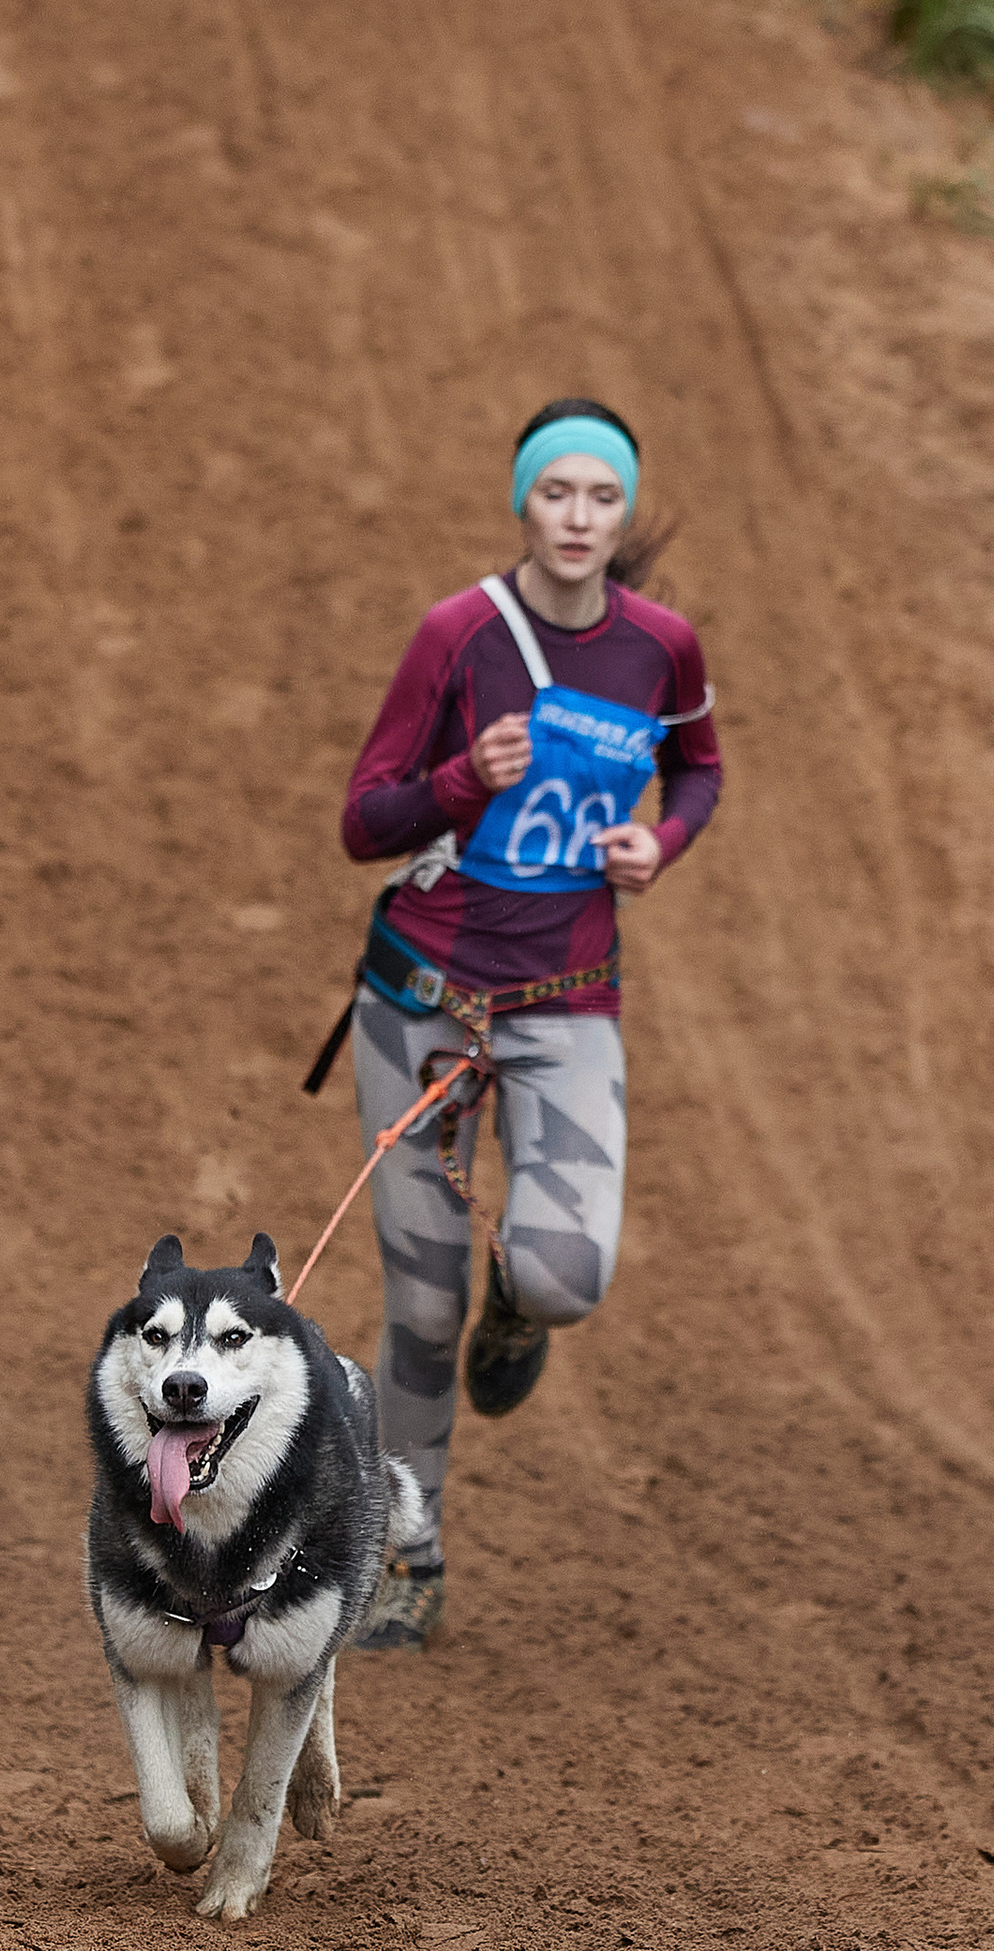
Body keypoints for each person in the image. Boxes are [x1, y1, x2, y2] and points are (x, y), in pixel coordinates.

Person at [336, 397, 722, 1653]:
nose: (577, 517)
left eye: (600, 497)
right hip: (422, 1000)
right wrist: (463, 780)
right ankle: (403, 1548)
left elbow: (702, 766)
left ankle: (520, 1303)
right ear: (522, 500)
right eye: (555, 492)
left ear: (621, 512)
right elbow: (364, 820)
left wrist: (656, 842)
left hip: (567, 1001)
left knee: (567, 1274)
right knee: (420, 1300)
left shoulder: (661, 648)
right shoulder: (457, 636)